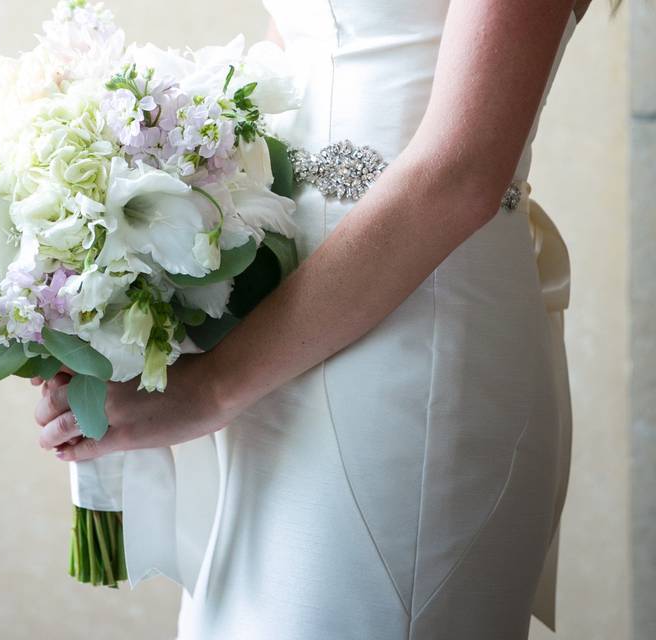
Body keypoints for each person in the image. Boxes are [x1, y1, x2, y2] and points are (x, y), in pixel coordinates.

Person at [34, 0, 595, 637]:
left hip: (416, 334)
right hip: (278, 317)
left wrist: (211, 389)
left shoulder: (226, 384)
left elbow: (460, 172)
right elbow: (288, 74)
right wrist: (120, 279)